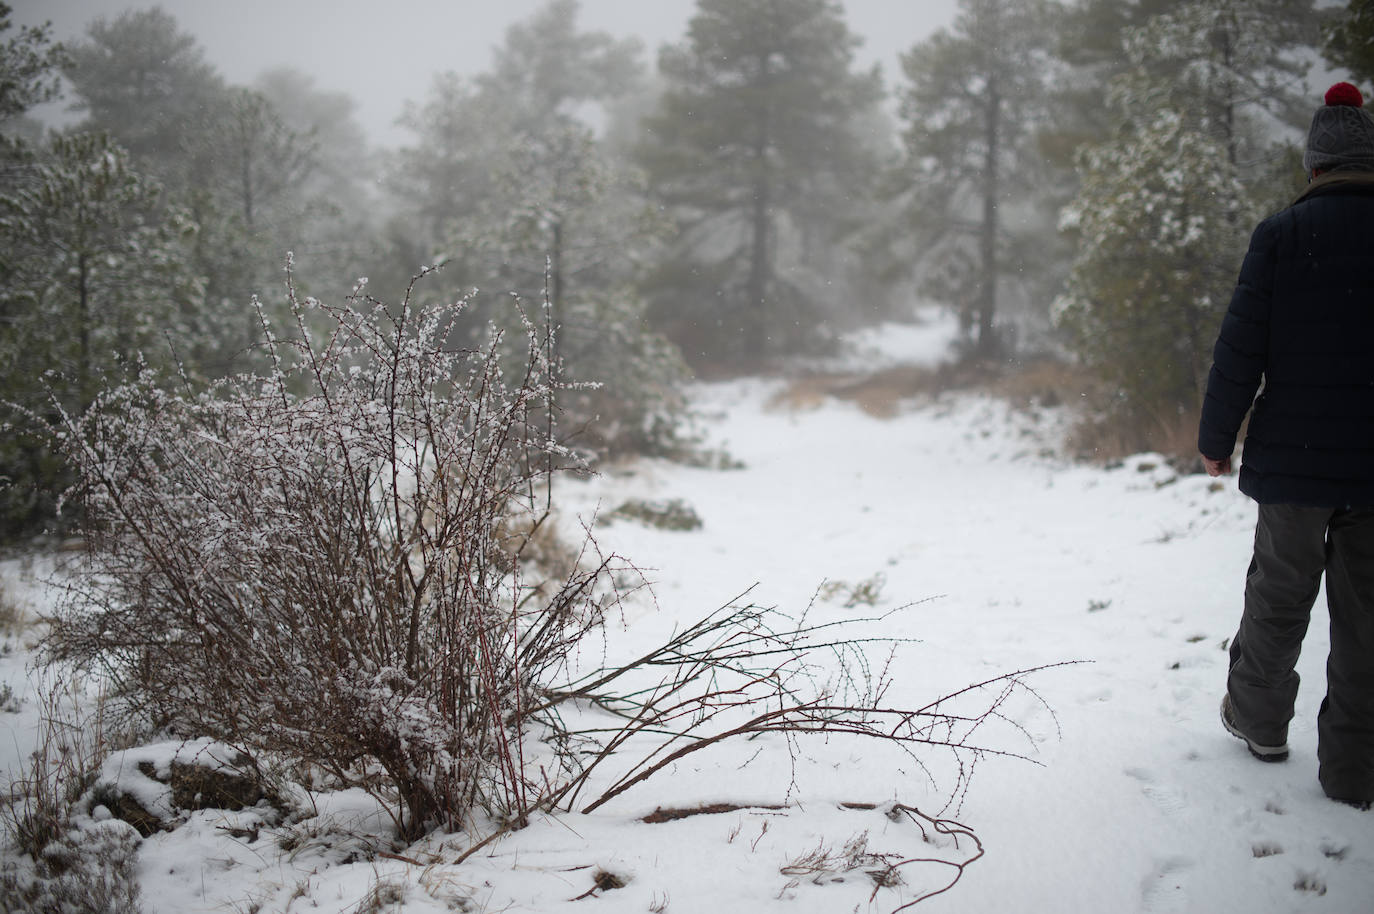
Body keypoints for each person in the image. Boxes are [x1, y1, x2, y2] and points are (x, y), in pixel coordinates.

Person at [1198, 81, 1374, 811]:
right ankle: (1354, 772)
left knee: (1277, 598)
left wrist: (1217, 438)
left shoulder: (1281, 234)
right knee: (1368, 621)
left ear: (1314, 166)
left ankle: (1261, 723)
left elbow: (1242, 345)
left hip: (1294, 461)